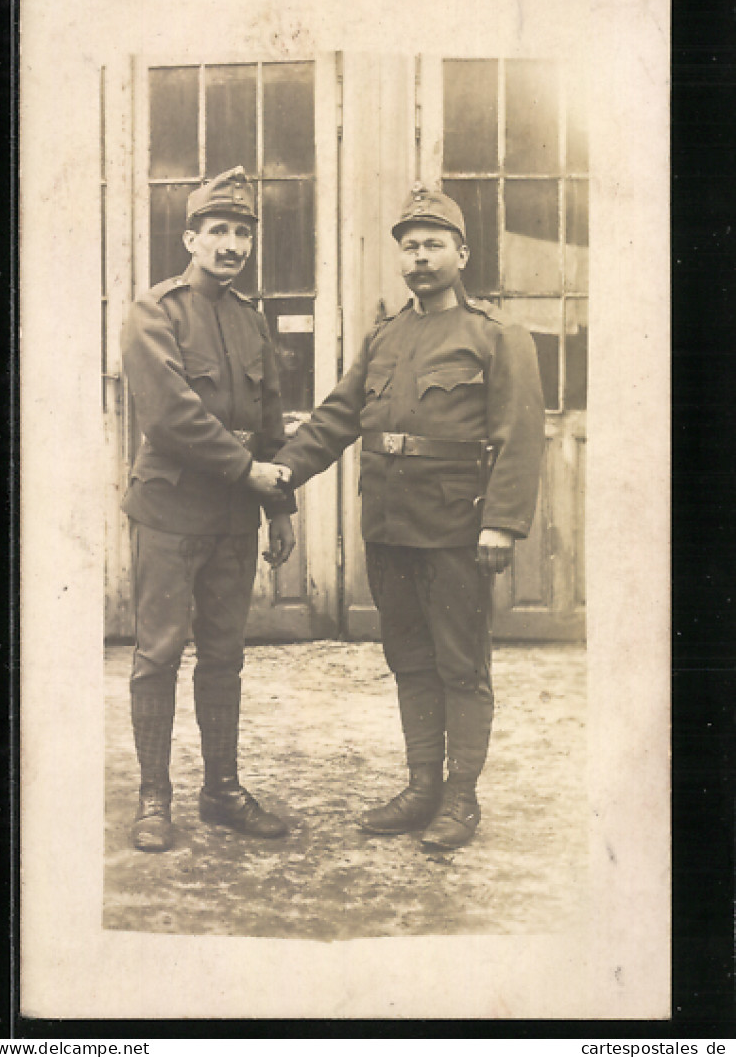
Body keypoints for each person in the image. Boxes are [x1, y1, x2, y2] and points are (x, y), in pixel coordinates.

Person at [268, 182, 545, 851]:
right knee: (409, 659)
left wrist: (500, 522)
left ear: (462, 253)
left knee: (461, 664)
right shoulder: (384, 338)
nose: (420, 257)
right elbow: (337, 417)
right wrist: (280, 471)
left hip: (456, 528)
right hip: (389, 528)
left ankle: (460, 796)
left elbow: (519, 434)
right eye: (410, 246)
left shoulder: (496, 337)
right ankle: (422, 787)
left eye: (434, 245)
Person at [121, 165, 296, 853]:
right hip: (169, 511)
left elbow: (272, 417)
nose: (231, 244)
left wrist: (279, 507)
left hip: (234, 519)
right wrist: (247, 470)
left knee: (225, 656)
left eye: (243, 232)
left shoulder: (252, 319)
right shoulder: (155, 312)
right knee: (158, 654)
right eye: (218, 230)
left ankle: (221, 789)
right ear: (190, 237)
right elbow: (170, 416)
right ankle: (153, 797)